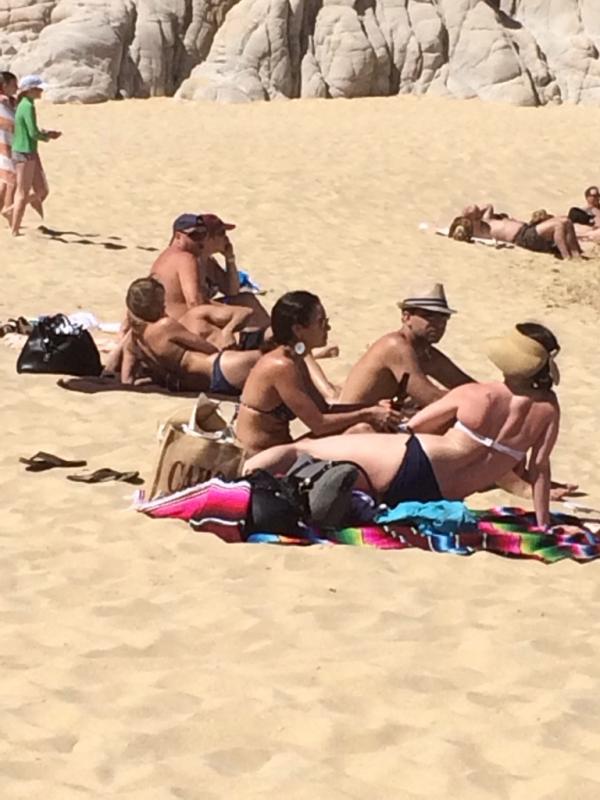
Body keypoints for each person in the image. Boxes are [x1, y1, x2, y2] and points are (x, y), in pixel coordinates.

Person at [246, 323, 562, 529]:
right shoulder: (548, 410)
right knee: (348, 484)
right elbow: (539, 469)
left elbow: (415, 426)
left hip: (417, 461)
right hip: (443, 493)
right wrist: (543, 522)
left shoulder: (479, 394)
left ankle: (238, 480)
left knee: (302, 449)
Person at [235, 290, 402, 457]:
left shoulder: (295, 359)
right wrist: (368, 413)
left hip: (279, 449)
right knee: (361, 430)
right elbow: (319, 424)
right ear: (298, 330)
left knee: (366, 426)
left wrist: (373, 407)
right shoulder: (281, 366)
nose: (328, 328)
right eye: (321, 322)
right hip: (260, 457)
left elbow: (324, 409)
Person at [340, 284, 473, 410]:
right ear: (407, 317)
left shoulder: (425, 352)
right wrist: (470, 399)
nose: (439, 324)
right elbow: (430, 398)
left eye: (444, 318)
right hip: (353, 422)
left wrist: (475, 396)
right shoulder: (396, 346)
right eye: (429, 317)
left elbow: (468, 386)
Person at [122, 276, 261, 394]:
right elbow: (207, 348)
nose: (164, 306)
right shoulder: (165, 326)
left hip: (200, 385)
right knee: (270, 359)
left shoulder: (133, 341)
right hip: (216, 368)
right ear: (151, 306)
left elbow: (126, 380)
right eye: (160, 303)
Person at [11, 74, 61, 237]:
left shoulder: (25, 104)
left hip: (28, 150)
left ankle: (12, 211)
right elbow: (33, 133)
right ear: (30, 90)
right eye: (38, 89)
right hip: (24, 151)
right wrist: (47, 137)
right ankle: (15, 228)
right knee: (22, 192)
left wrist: (45, 133)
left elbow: (30, 130)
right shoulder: (27, 106)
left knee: (41, 189)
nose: (41, 91)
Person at [462, 204, 581, 259]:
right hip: (523, 237)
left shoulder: (486, 219)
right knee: (558, 225)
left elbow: (489, 206)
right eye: (475, 212)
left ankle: (576, 253)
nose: (478, 213)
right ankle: (567, 257)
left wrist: (478, 212)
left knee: (566, 221)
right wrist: (468, 217)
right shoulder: (477, 228)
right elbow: (466, 229)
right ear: (471, 218)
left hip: (527, 229)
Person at [0, 71, 17, 223]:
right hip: (4, 145)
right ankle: (9, 212)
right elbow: (9, 122)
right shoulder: (3, 102)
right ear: (4, 85)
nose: (16, 88)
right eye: (13, 84)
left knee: (7, 180)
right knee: (12, 178)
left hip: (10, 143)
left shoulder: (12, 101)